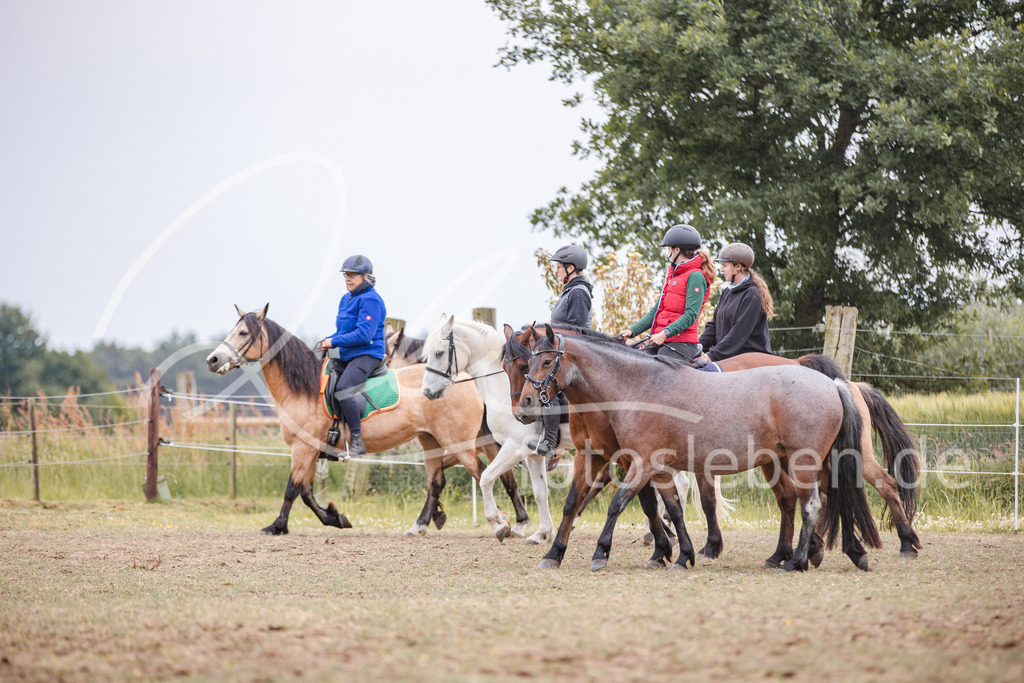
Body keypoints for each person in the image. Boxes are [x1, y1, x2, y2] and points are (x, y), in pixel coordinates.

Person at [527, 245, 594, 456]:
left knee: (547, 387)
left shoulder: (579, 293)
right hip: (562, 349)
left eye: (559, 267)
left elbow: (576, 330)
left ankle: (549, 442)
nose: (557, 271)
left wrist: (551, 338)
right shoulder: (570, 291)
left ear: (571, 268)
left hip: (572, 353)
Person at [318, 254, 386, 457]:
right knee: (325, 382)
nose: (348, 279)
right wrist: (328, 339)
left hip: (368, 353)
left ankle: (356, 441)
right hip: (349, 355)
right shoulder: (346, 298)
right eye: (346, 275)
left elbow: (364, 335)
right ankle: (333, 436)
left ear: (366, 277)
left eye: (354, 275)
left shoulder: (371, 300)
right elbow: (342, 332)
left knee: (344, 388)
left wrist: (335, 342)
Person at [618, 224, 716, 363]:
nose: (667, 252)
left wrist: (664, 333)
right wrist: (631, 331)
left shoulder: (696, 276)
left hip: (681, 343)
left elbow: (691, 315)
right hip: (662, 340)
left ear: (676, 250)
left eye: (668, 249)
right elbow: (655, 312)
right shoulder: (673, 277)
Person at [698, 242, 775, 362]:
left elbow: (739, 333)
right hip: (731, 358)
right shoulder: (727, 292)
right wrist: (696, 347)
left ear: (737, 267)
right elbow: (713, 326)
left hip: (751, 362)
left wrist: (712, 355)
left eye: (725, 265)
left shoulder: (753, 295)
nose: (721, 269)